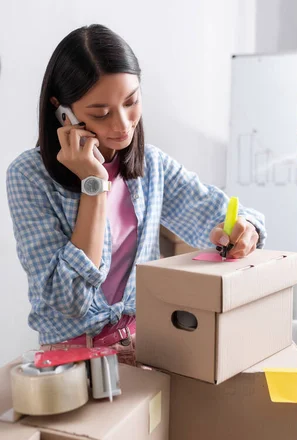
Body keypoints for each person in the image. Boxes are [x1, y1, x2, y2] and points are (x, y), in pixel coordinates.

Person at [6, 24, 265, 365]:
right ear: (62, 111)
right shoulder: (28, 176)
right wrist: (94, 184)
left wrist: (246, 228)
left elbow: (222, 214)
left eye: (131, 102)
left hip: (145, 348)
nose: (123, 124)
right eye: (100, 113)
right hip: (70, 361)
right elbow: (67, 300)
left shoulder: (151, 165)